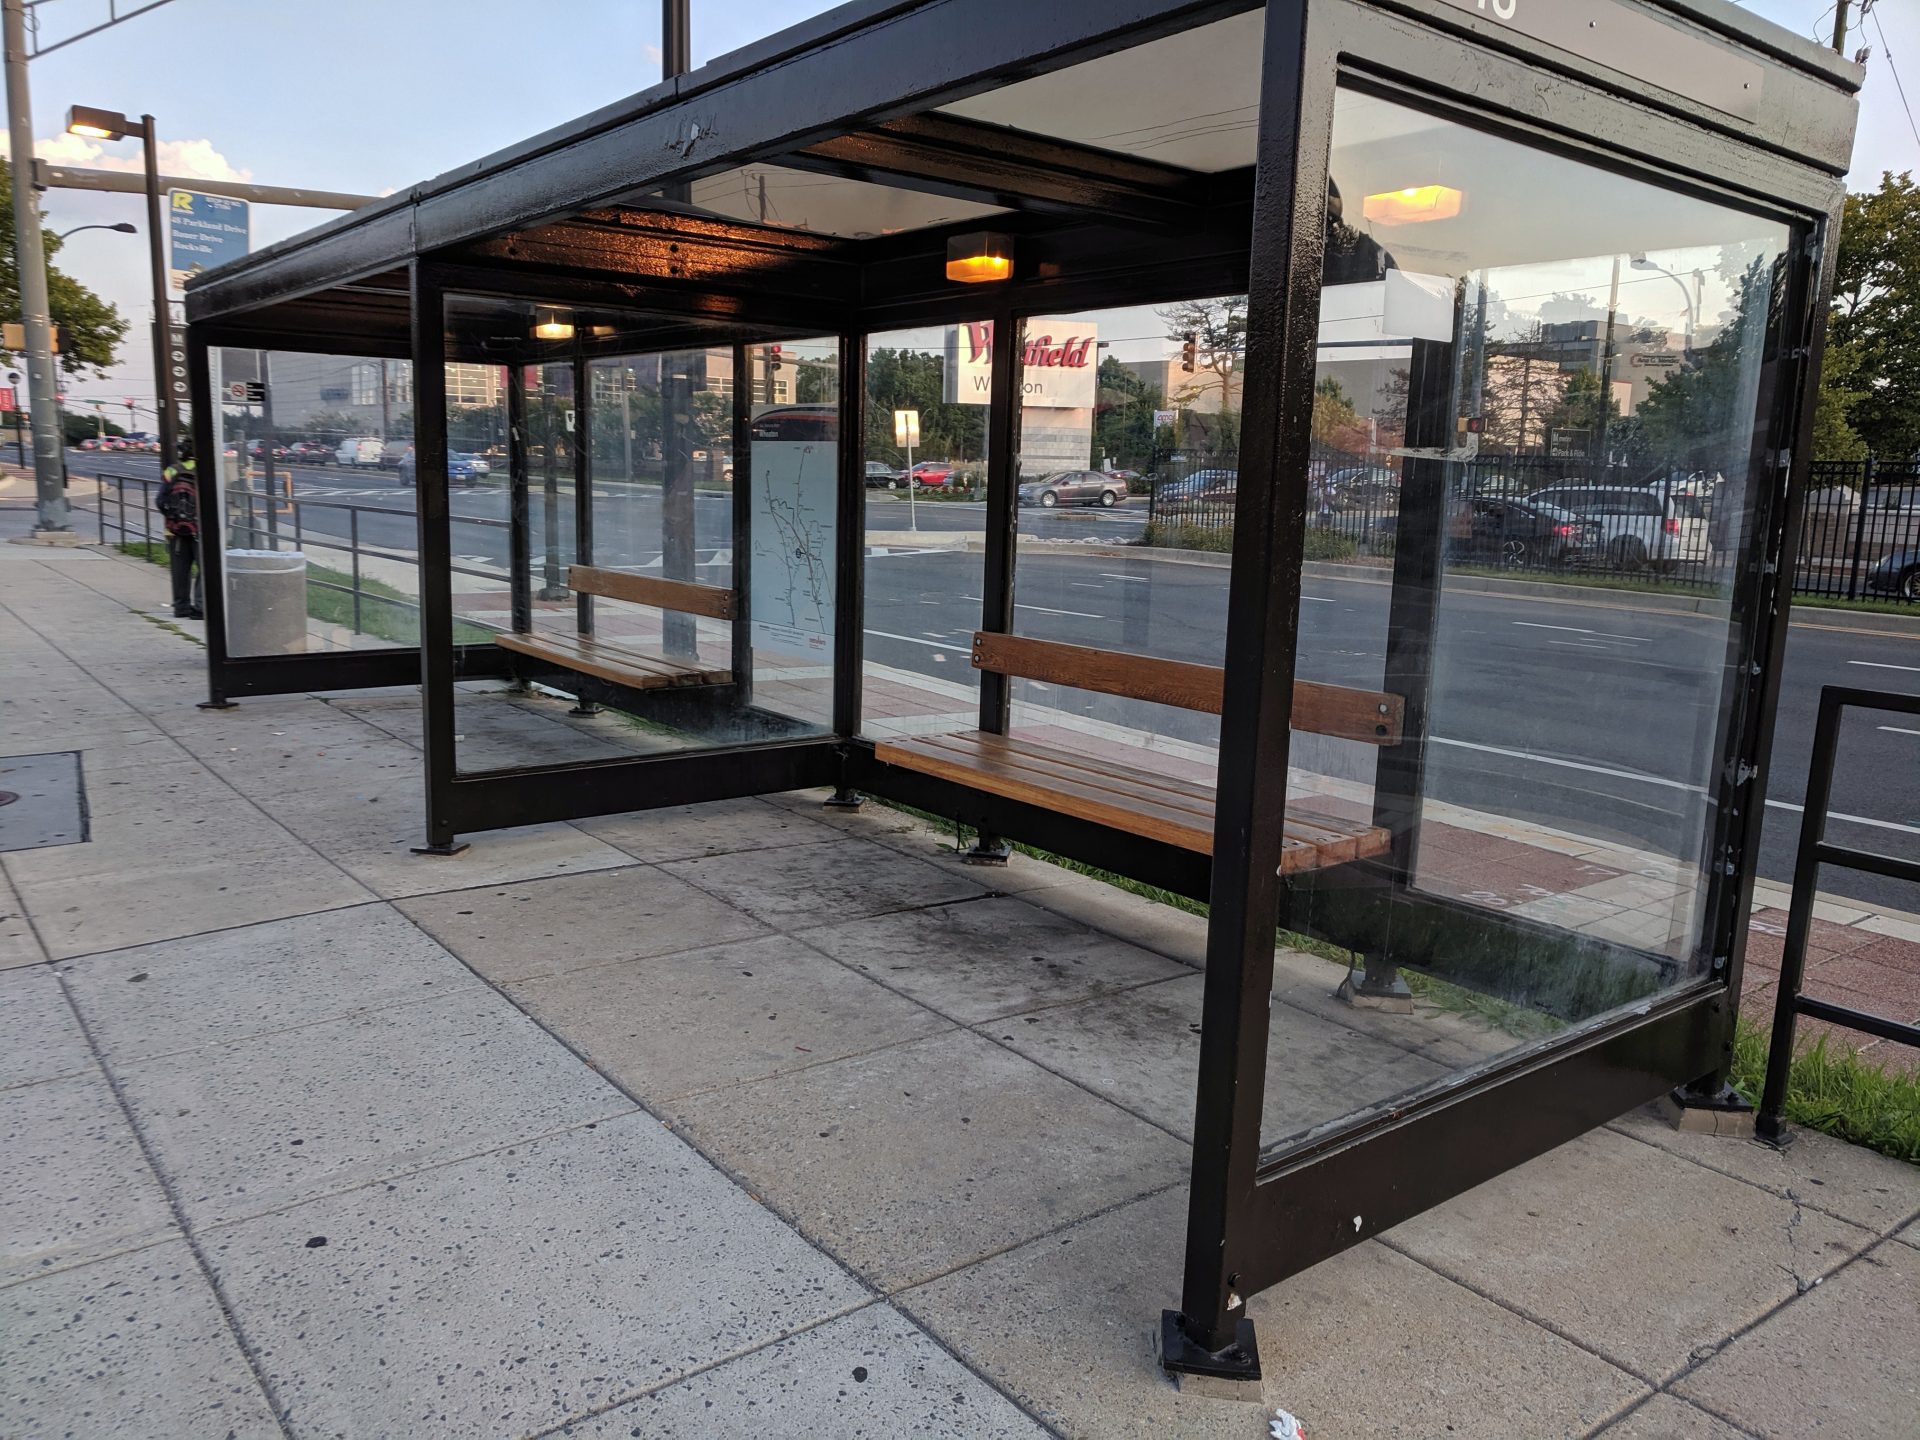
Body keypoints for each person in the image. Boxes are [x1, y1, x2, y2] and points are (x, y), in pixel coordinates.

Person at [156, 439, 204, 619]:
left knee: (180, 570)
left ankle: (181, 607)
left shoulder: (172, 470)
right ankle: (200, 607)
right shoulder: (205, 469)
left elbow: (160, 500)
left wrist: (172, 518)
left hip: (175, 529)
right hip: (199, 528)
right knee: (203, 568)